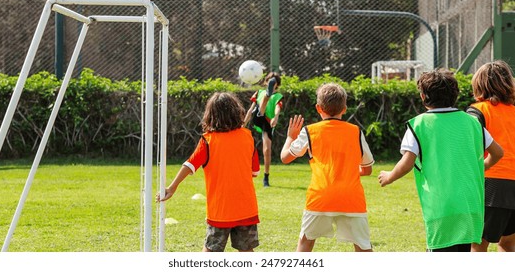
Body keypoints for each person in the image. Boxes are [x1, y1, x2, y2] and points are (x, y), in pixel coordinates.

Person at [378, 69, 504, 252]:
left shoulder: (419, 124)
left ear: (423, 96)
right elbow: (498, 153)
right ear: (456, 94)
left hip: (441, 208)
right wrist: (482, 166)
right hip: (470, 206)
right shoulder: (472, 123)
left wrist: (389, 176)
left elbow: (407, 163)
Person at [157, 92, 261, 252]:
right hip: (245, 207)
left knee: (211, 251)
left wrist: (172, 187)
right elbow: (255, 172)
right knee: (246, 251)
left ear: (211, 115)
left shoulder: (208, 141)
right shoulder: (248, 137)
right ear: (237, 112)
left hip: (220, 210)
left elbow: (189, 165)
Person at [280, 83, 375, 252]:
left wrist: (290, 137)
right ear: (344, 108)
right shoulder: (356, 132)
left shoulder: (310, 131)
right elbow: (367, 169)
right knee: (363, 248)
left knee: (305, 244)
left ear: (318, 108)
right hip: (351, 198)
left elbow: (285, 158)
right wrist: (350, 173)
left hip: (320, 197)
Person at [465, 60, 515, 252]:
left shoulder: (477, 111)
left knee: (477, 245)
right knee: (508, 243)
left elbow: (468, 149)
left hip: (491, 184)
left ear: (479, 84)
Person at [244, 72, 283, 187]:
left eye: (274, 82)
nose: (272, 83)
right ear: (266, 82)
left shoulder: (278, 96)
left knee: (267, 150)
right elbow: (250, 110)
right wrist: (243, 125)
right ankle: (267, 95)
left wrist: (275, 118)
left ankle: (266, 177)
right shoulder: (258, 93)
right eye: (270, 81)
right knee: (260, 109)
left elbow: (277, 108)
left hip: (268, 123)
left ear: (277, 85)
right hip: (258, 116)